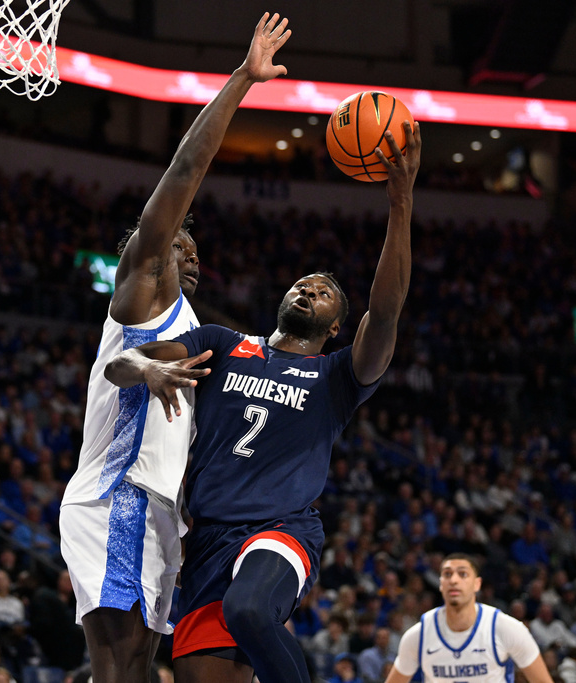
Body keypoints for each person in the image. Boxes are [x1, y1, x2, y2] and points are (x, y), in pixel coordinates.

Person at [104, 117, 421, 682]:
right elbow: (120, 363)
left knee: (249, 609)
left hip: (280, 531)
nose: (309, 289)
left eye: (325, 292)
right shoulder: (221, 344)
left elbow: (389, 309)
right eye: (303, 283)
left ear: (336, 327)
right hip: (207, 542)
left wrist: (400, 204)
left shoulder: (337, 378)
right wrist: (148, 366)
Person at [58, 11, 293, 683]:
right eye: (173, 248)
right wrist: (243, 79)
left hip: (162, 509)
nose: (185, 257)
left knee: (136, 665)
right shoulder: (142, 292)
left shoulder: (194, 328)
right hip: (118, 493)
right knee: (118, 663)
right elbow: (188, 166)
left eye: (193, 251)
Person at [381, 554, 555, 683]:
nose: (454, 580)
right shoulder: (418, 635)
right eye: (447, 575)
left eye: (462, 574)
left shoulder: (504, 628)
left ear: (477, 584)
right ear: (441, 584)